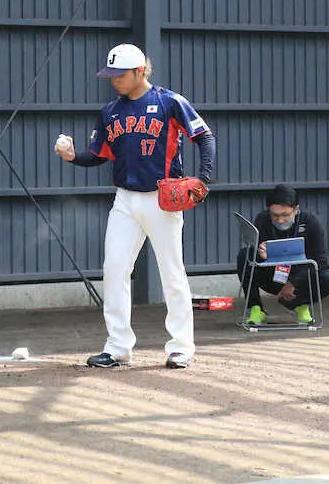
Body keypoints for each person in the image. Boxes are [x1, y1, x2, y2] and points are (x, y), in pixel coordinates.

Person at [55, 43, 216, 369]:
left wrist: (204, 179)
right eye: (111, 74)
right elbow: (98, 154)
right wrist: (73, 157)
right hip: (125, 200)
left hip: (163, 199)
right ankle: (118, 348)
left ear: (140, 71)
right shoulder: (110, 111)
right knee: (114, 269)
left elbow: (205, 137)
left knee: (171, 273)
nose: (114, 80)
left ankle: (181, 347)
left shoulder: (169, 101)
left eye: (120, 74)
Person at [237, 184, 329, 325]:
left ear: (296, 210)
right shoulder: (262, 220)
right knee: (244, 255)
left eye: (285, 215)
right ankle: (255, 308)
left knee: (327, 278)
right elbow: (254, 255)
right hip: (272, 274)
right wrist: (261, 255)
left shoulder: (311, 222)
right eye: (275, 215)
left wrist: (294, 283)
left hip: (299, 278)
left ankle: (300, 305)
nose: (280, 220)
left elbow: (321, 260)